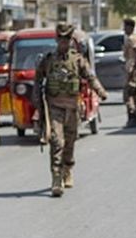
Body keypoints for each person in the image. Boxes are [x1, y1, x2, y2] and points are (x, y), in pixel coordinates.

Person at [35, 24, 109, 197]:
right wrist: (38, 106)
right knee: (57, 141)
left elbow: (90, 77)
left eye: (67, 39)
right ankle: (56, 178)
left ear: (71, 40)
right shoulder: (48, 60)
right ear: (56, 40)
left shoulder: (77, 59)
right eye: (61, 39)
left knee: (70, 141)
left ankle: (67, 168)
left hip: (72, 108)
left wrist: (100, 91)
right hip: (55, 107)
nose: (64, 42)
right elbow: (37, 81)